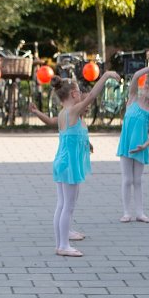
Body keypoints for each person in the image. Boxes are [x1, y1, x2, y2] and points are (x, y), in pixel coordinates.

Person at [50, 70, 121, 257]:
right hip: (69, 165)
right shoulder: (72, 111)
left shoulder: (64, 114)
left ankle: (61, 241)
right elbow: (92, 95)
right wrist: (105, 76)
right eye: (79, 93)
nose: (83, 96)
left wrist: (86, 144)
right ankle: (63, 245)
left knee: (62, 204)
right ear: (74, 94)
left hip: (62, 162)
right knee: (68, 206)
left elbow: (71, 137)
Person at [115, 66, 149, 223]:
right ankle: (126, 212)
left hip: (141, 148)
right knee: (127, 179)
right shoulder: (132, 98)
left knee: (137, 180)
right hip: (126, 146)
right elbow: (137, 75)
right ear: (146, 87)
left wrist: (144, 146)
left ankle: (140, 212)